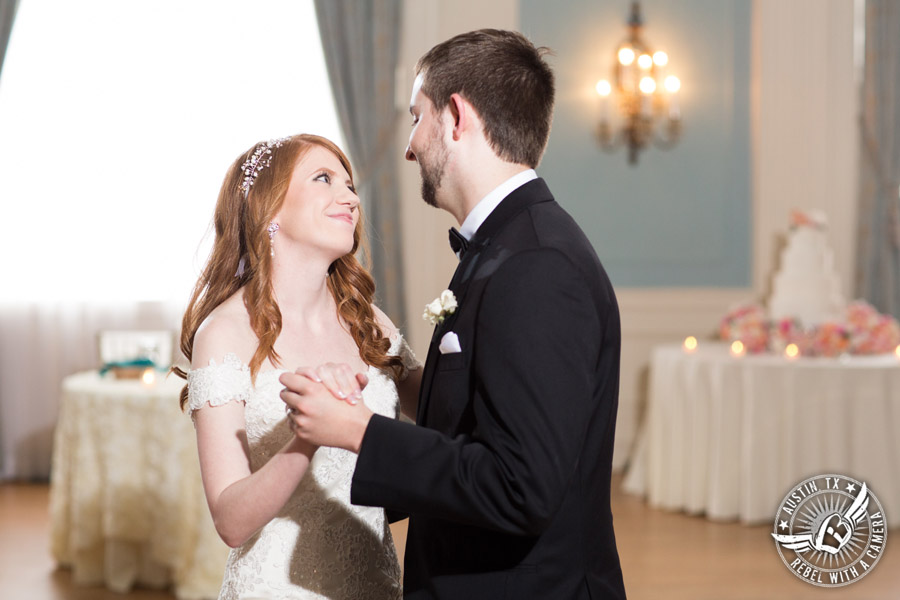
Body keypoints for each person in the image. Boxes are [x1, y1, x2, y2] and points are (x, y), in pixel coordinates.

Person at [280, 29, 627, 599]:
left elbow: (522, 488)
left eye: (418, 117)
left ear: (457, 116)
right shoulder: (505, 246)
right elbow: (480, 412)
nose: (410, 146)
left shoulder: (536, 265)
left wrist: (361, 432)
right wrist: (395, 363)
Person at [173, 134, 422, 600]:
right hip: (276, 587)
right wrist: (307, 435)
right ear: (270, 211)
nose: (349, 196)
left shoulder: (366, 319)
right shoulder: (224, 334)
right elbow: (230, 520)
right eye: (324, 179)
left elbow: (442, 412)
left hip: (376, 580)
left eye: (349, 185)